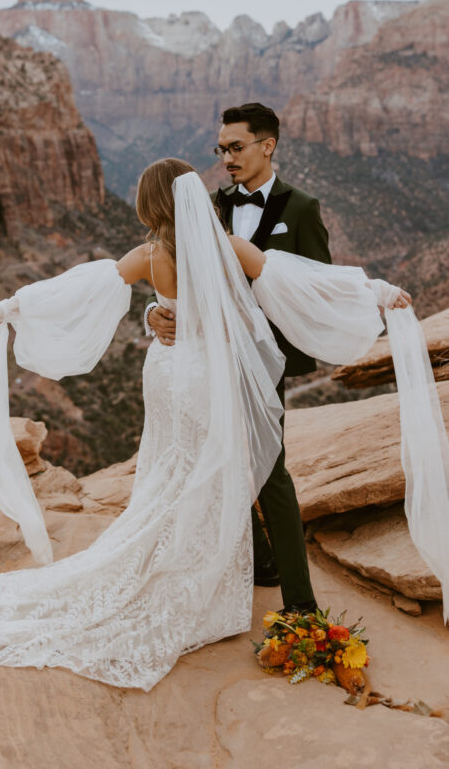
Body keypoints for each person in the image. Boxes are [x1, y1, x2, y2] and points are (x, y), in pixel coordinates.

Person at [0, 163, 443, 695]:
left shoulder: (151, 252)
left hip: (166, 378)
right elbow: (308, 283)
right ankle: (245, 588)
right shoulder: (226, 249)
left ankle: (217, 566)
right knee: (234, 474)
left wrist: (10, 308)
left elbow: (80, 286)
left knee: (172, 472)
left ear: (151, 205)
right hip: (209, 377)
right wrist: (379, 292)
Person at [145, 103, 331, 612]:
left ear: (267, 146)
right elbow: (169, 270)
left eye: (236, 147)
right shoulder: (203, 205)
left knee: (271, 474)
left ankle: (301, 608)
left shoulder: (301, 209)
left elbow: (315, 287)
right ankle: (261, 560)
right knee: (213, 458)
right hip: (208, 359)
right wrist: (154, 314)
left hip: (263, 361)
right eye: (220, 149)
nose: (226, 157)